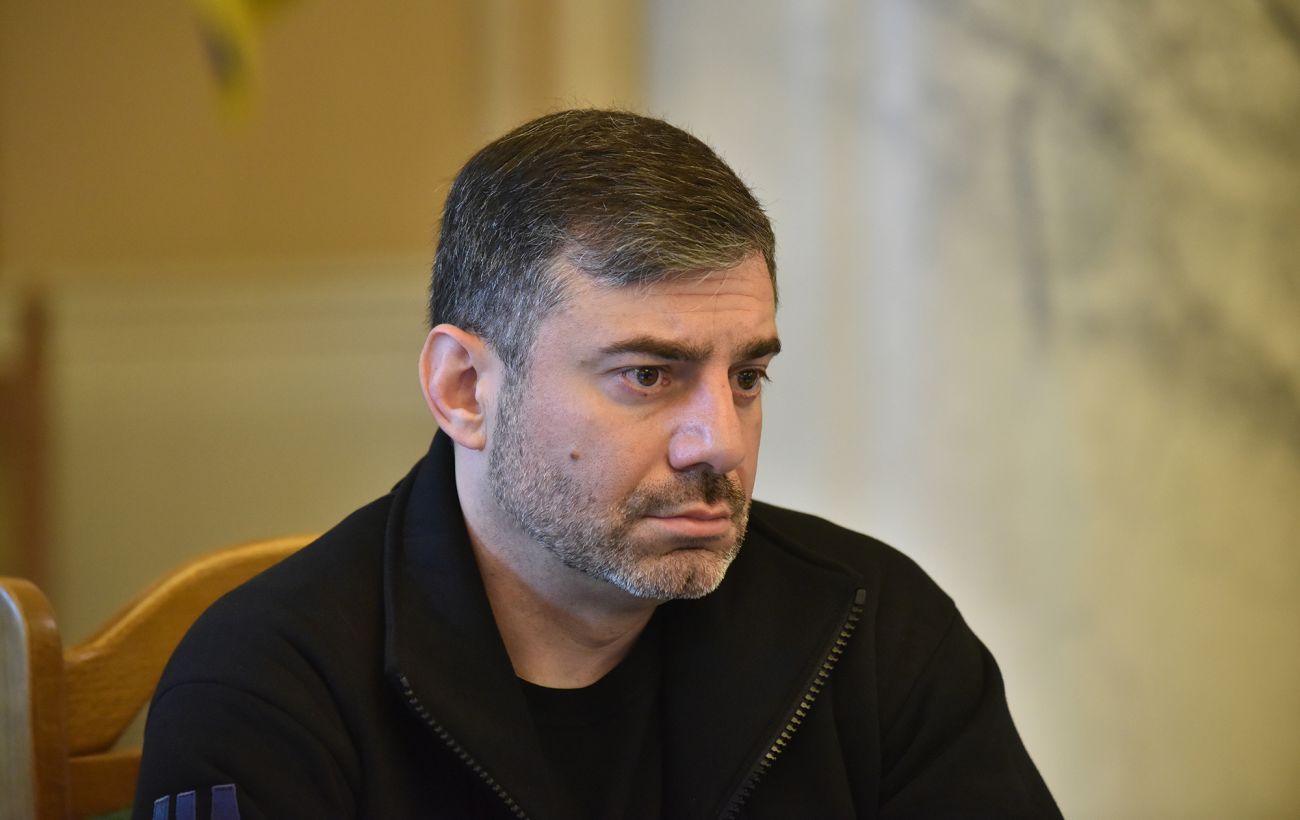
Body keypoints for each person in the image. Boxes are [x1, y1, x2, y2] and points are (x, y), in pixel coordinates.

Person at [134, 109, 1061, 820]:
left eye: (746, 376)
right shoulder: (268, 689)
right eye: (648, 375)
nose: (720, 442)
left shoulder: (874, 631)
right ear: (464, 389)